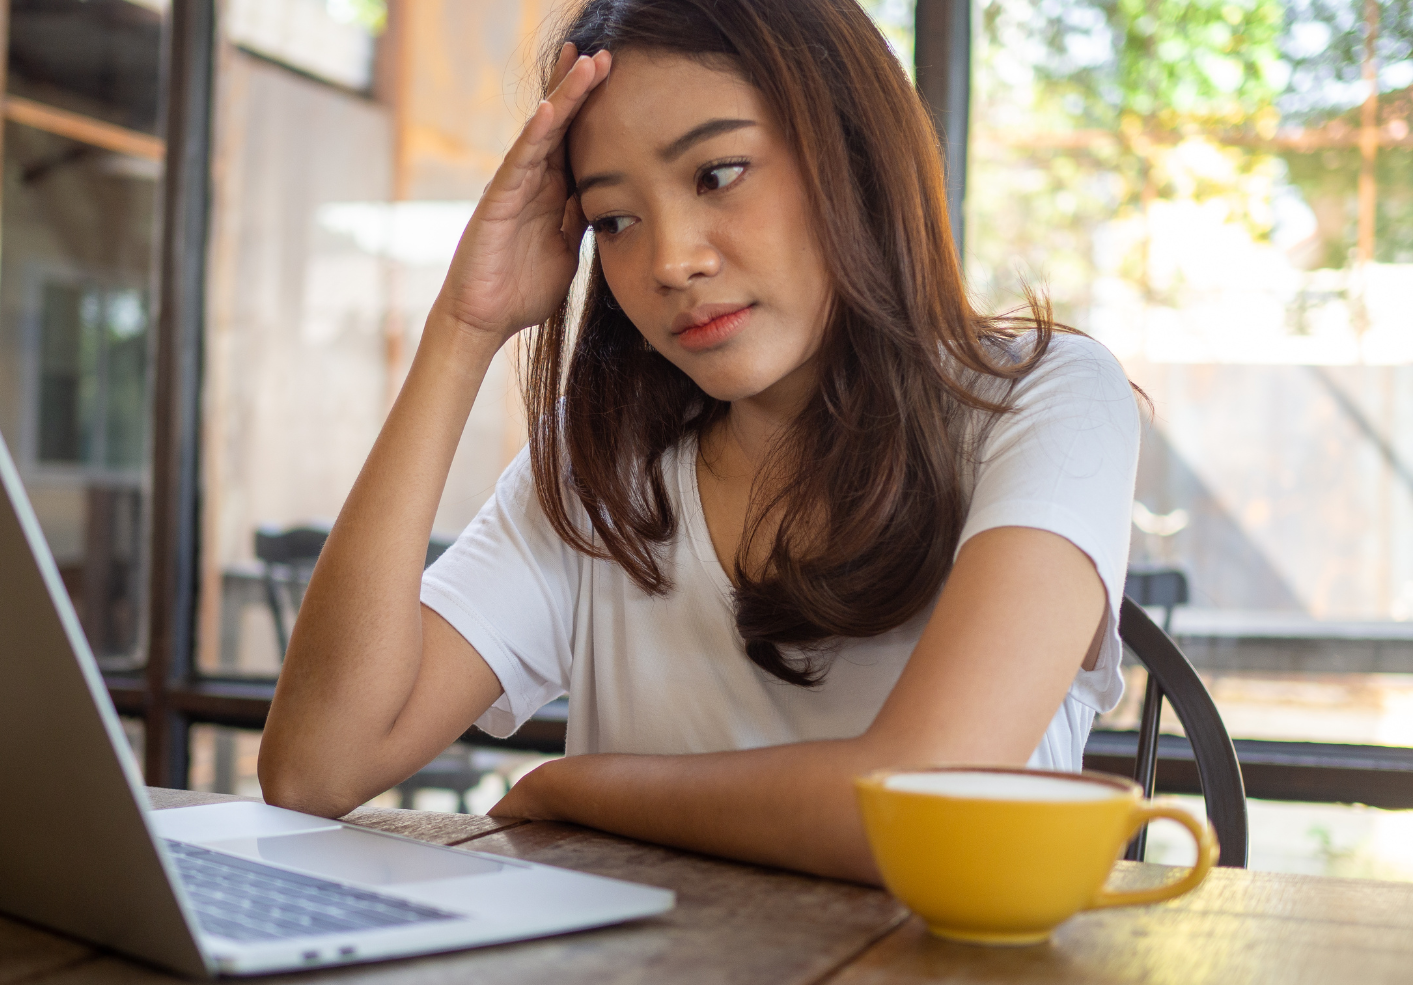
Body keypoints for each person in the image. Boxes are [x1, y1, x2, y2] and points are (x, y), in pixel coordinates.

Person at [258, 0, 1141, 886]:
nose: (670, 260)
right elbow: (316, 767)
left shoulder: (1043, 399)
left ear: (855, 154)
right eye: (614, 220)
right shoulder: (601, 472)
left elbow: (928, 803)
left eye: (718, 174)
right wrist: (464, 329)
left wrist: (584, 788)